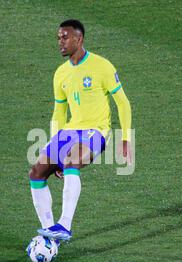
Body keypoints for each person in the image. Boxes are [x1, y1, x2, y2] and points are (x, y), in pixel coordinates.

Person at [28, 19, 132, 241]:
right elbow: (59, 112)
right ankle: (50, 231)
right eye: (58, 38)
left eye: (65, 37)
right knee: (36, 172)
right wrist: (53, 143)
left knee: (72, 160)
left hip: (96, 130)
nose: (60, 42)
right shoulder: (60, 73)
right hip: (69, 131)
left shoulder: (102, 66)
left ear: (79, 39)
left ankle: (64, 225)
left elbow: (122, 102)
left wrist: (125, 138)